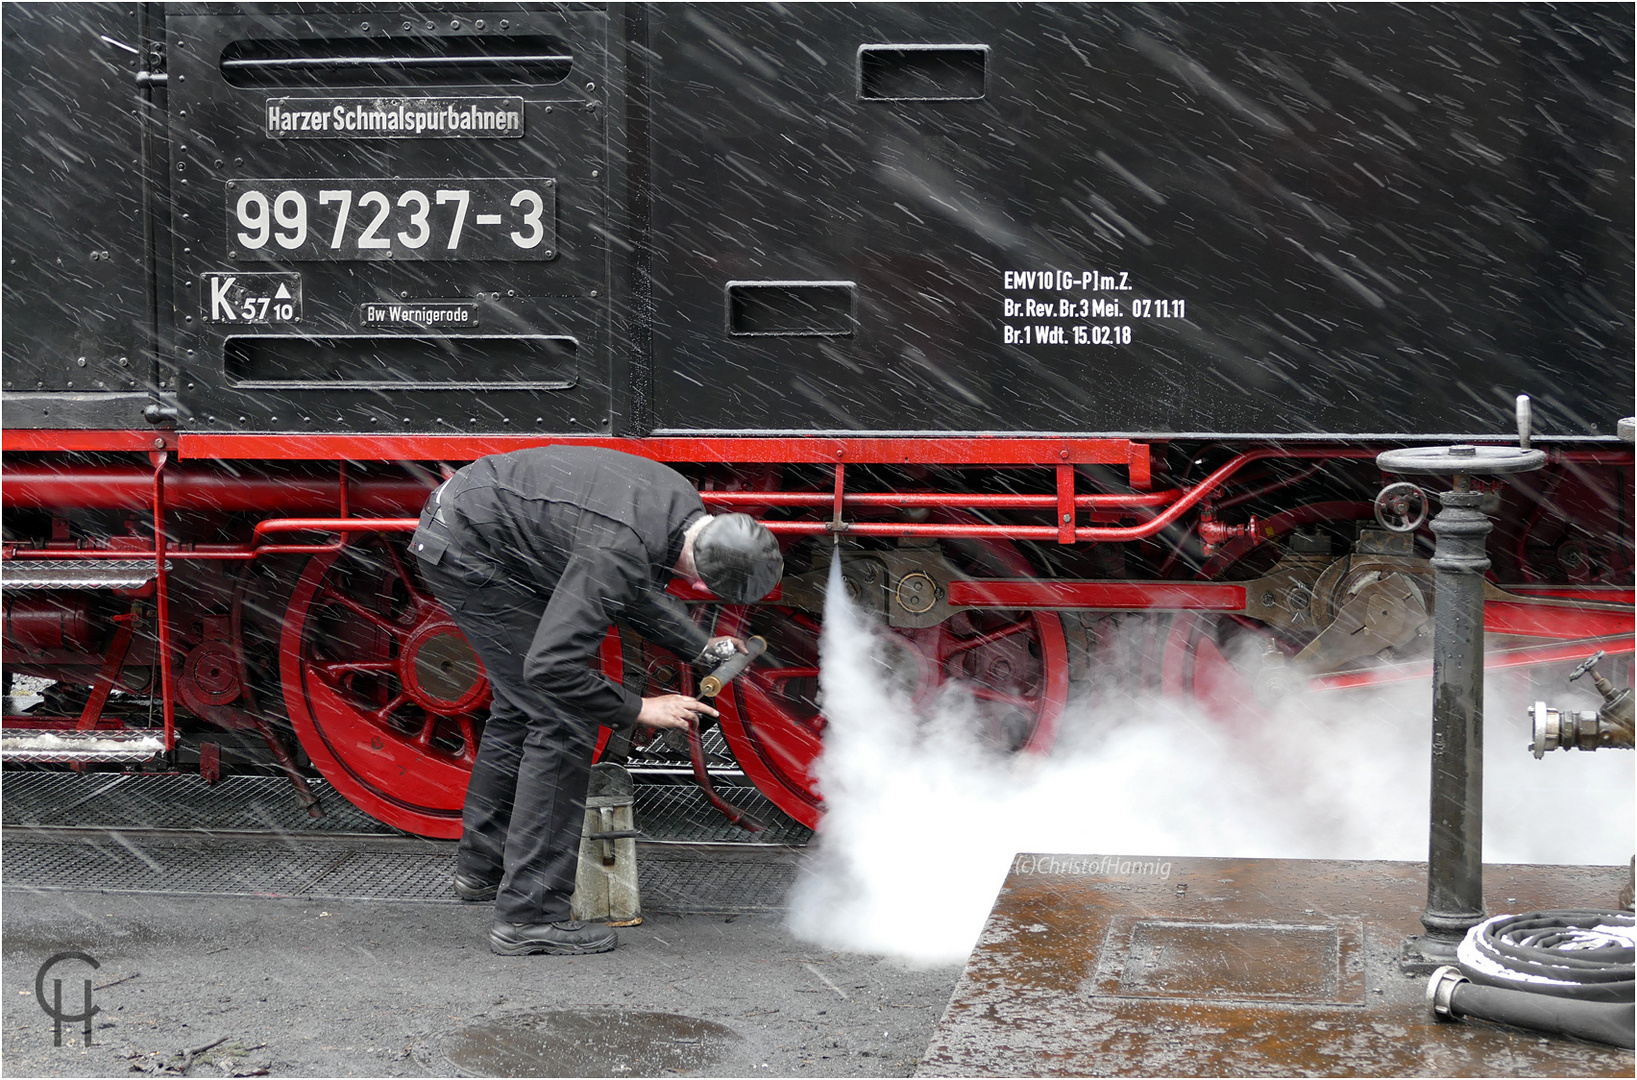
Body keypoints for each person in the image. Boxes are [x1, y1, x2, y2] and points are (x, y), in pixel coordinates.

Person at [411, 446, 783, 956]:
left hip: (478, 522)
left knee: (520, 709)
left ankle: (483, 867)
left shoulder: (679, 505)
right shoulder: (619, 546)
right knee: (563, 719)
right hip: (471, 552)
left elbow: (628, 589)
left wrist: (701, 648)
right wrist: (639, 708)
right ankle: (529, 917)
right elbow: (552, 666)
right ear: (698, 583)